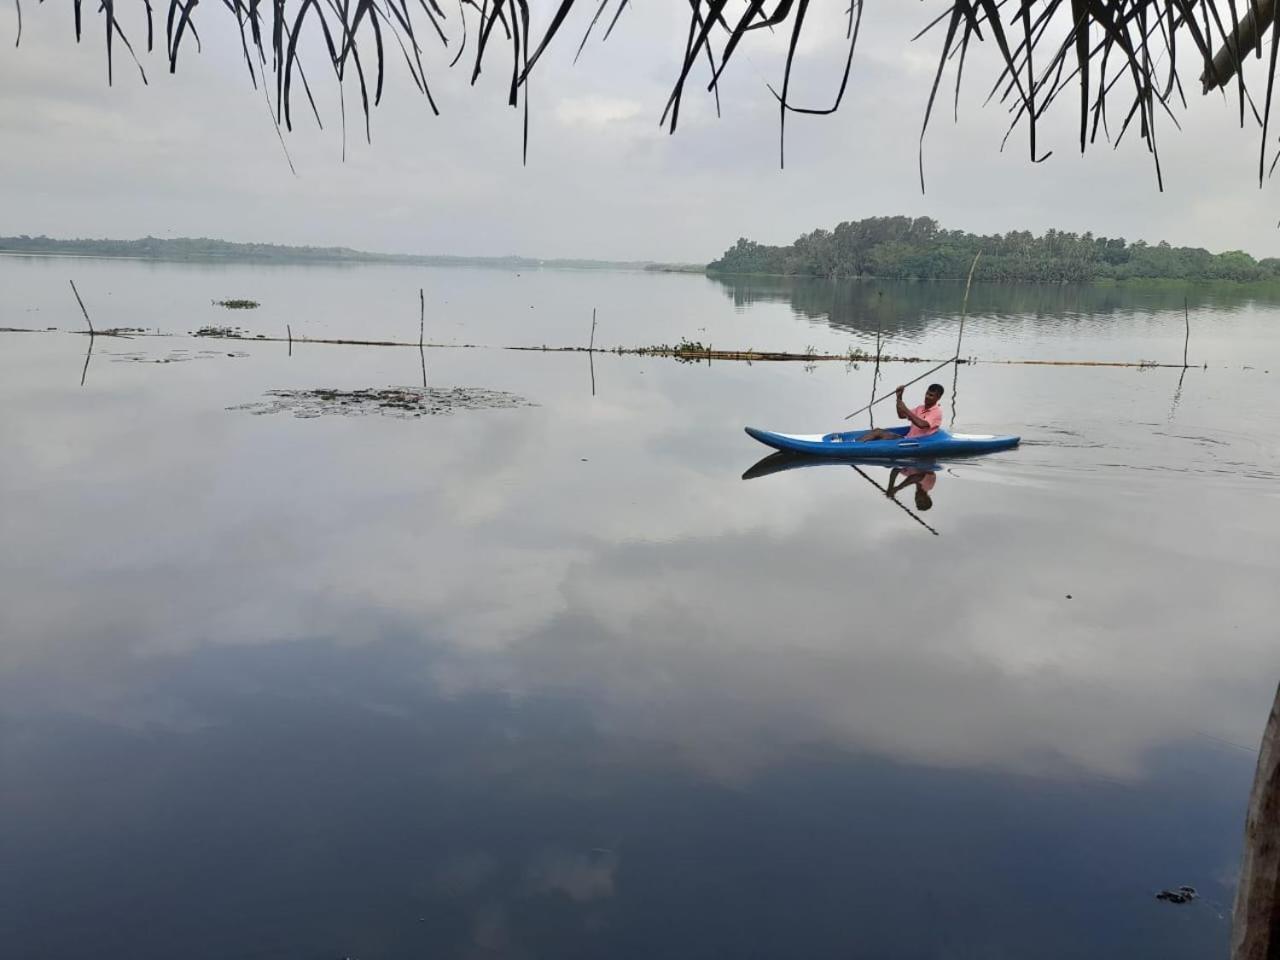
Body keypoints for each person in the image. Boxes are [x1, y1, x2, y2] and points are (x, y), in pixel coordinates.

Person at [857, 383, 944, 442]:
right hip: (907, 439)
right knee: (877, 430)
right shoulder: (920, 408)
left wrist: (905, 409)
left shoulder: (936, 412)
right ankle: (854, 443)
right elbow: (901, 415)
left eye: (931, 395)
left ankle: (852, 445)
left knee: (878, 433)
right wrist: (899, 397)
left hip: (918, 442)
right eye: (927, 394)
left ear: (938, 397)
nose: (927, 397)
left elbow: (921, 424)